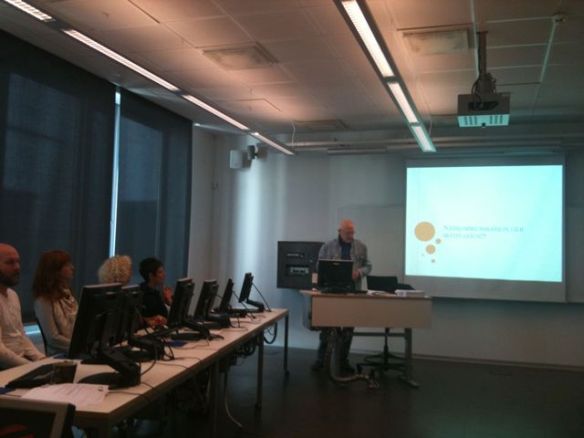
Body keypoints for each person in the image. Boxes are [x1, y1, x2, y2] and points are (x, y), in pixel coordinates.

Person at [312, 219, 372, 373]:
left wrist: (359, 272)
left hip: (352, 292)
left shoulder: (361, 246)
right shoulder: (327, 246)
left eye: (352, 232)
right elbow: (319, 266)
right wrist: (332, 269)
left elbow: (368, 266)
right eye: (348, 233)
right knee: (327, 326)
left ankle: (343, 362)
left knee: (348, 329)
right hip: (331, 292)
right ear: (340, 231)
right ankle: (321, 360)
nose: (351, 235)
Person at [0, 243, 45, 369]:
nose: (17, 267)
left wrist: (41, 359)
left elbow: (21, 335)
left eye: (18, 262)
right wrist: (30, 367)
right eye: (10, 262)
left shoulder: (13, 295)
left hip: (20, 363)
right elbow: (1, 352)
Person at [32, 250, 79, 356]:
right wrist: (79, 347)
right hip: (60, 356)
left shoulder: (69, 295)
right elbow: (53, 338)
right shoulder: (43, 301)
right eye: (67, 265)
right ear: (55, 271)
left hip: (75, 352)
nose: (72, 268)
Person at [139, 257, 173, 328]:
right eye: (160, 272)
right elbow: (164, 317)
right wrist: (169, 301)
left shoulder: (155, 292)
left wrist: (168, 300)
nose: (164, 274)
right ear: (151, 276)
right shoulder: (146, 295)